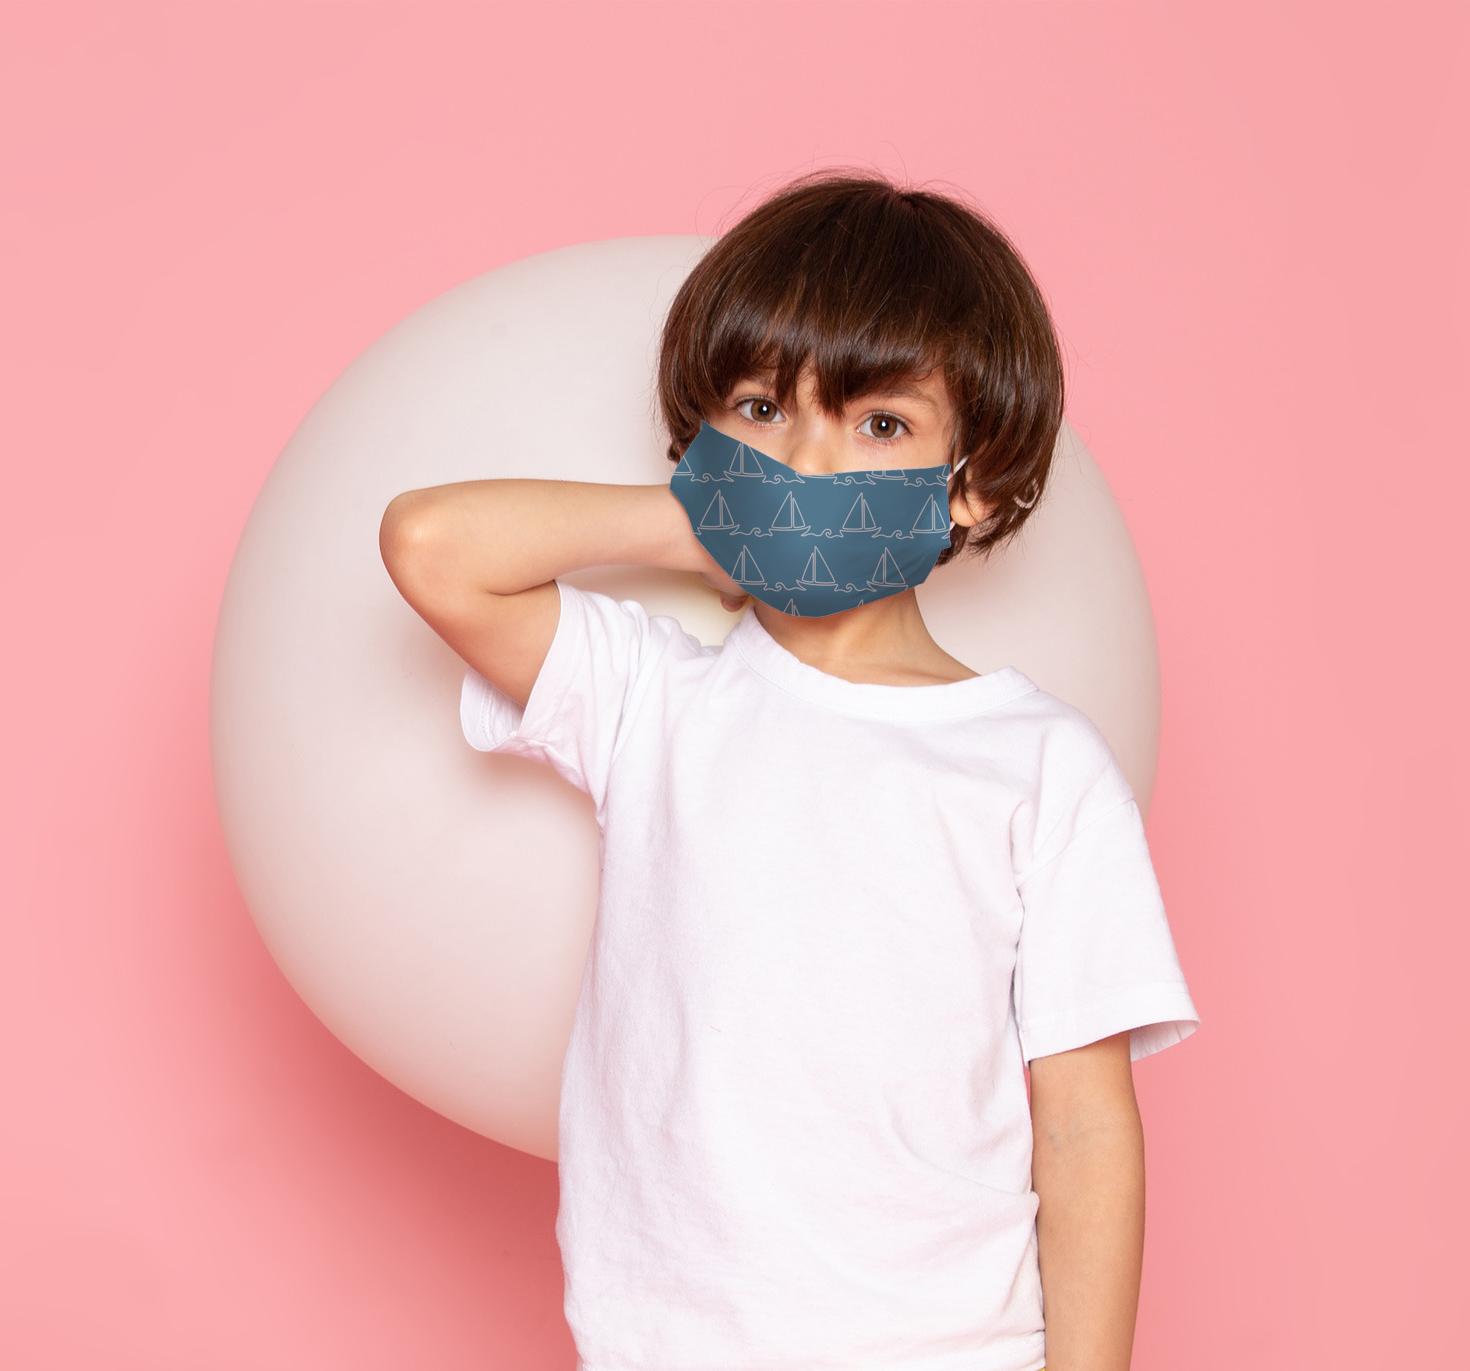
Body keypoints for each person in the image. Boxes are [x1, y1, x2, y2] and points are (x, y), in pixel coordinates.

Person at [379, 172, 1198, 1371]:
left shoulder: (1038, 766)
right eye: (764, 410)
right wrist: (702, 525)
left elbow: (1083, 1130)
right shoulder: (653, 698)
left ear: (971, 483)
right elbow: (431, 546)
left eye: (881, 426)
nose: (809, 462)